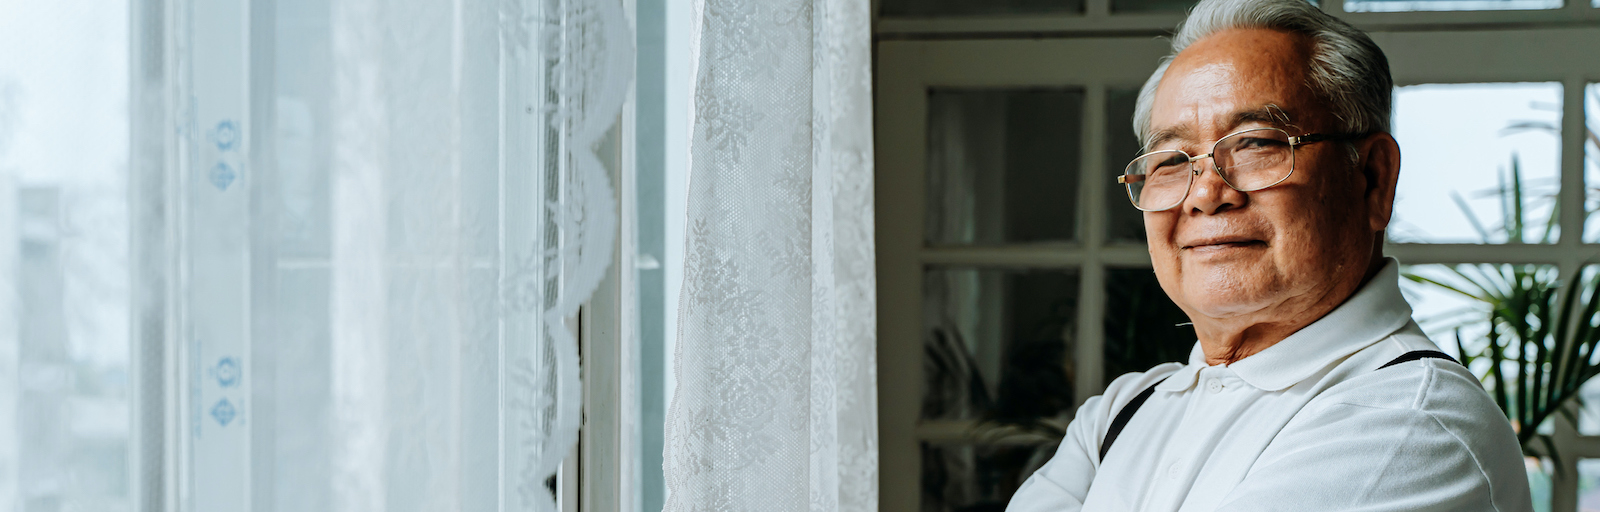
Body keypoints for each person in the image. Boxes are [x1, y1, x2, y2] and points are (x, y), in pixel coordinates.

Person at [1004, 0, 1534, 510]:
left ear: (1374, 179)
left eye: (1256, 143)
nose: (1206, 194)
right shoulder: (1122, 413)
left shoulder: (1413, 420)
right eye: (1171, 161)